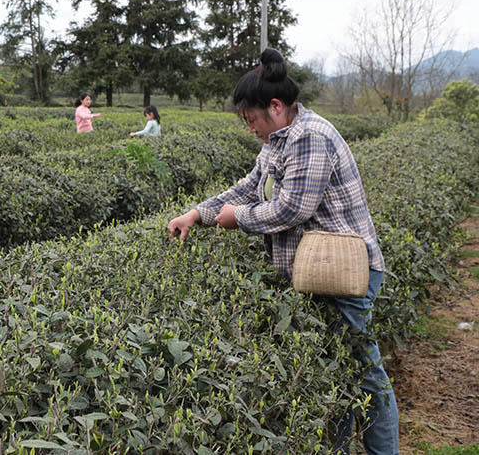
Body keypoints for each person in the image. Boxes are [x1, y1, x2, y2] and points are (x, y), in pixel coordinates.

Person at [167, 48, 399, 454]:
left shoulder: (310, 136)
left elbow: (293, 208)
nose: (250, 128)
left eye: (251, 119)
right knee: (336, 371)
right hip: (317, 274)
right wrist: (197, 215)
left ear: (275, 107)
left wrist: (238, 218)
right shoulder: (279, 139)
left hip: (344, 274)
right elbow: (249, 186)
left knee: (365, 375)